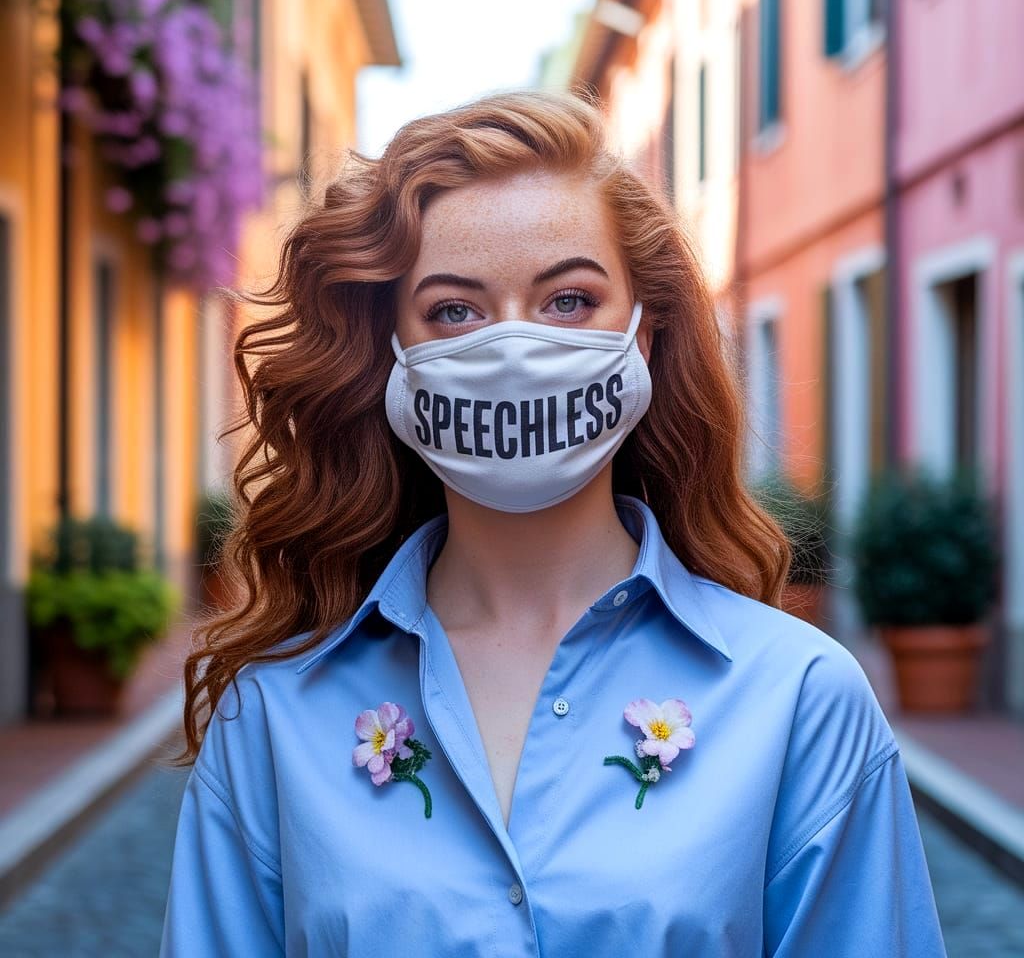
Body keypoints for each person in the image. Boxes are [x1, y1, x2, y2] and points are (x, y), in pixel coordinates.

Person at [158, 89, 947, 957]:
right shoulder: (273, 717)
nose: (515, 348)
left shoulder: (798, 698)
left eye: (569, 300)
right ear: (394, 357)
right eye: (454, 310)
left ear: (643, 336)